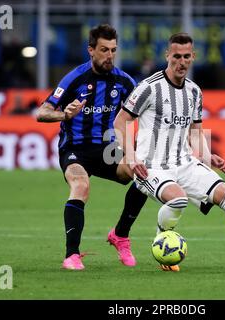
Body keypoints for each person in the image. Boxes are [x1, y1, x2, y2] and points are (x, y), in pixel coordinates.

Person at [114, 32, 225, 272]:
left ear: (193, 57)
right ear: (167, 56)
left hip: (184, 163)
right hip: (151, 165)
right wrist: (131, 158)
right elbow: (120, 121)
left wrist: (208, 156)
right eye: (176, 56)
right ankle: (164, 245)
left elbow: (195, 132)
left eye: (186, 56)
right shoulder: (148, 87)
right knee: (178, 200)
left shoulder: (194, 92)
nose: (181, 61)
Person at [36, 24, 148, 270]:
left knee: (144, 177)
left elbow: (144, 111)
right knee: (81, 185)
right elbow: (42, 112)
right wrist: (64, 115)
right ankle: (71, 255)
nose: (109, 55)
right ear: (91, 50)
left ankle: (120, 234)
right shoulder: (75, 78)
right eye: (104, 50)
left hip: (107, 150)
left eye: (113, 50)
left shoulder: (124, 81)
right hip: (76, 149)